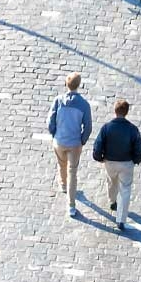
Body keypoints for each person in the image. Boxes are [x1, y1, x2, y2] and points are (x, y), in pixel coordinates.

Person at [92, 99, 141, 231]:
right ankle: (121, 219)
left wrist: (99, 158)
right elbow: (139, 147)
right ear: (126, 112)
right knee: (125, 189)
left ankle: (112, 200)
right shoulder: (132, 129)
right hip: (126, 163)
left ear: (114, 111)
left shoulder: (106, 127)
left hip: (110, 162)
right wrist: (136, 159)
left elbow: (98, 145)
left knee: (111, 181)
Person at [47, 72, 92, 218]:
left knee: (61, 164)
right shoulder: (84, 105)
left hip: (59, 141)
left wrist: (54, 134)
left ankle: (63, 184)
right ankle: (71, 206)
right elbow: (88, 127)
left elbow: (50, 121)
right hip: (74, 143)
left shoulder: (58, 100)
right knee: (73, 172)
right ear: (79, 85)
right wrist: (82, 140)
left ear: (66, 84)